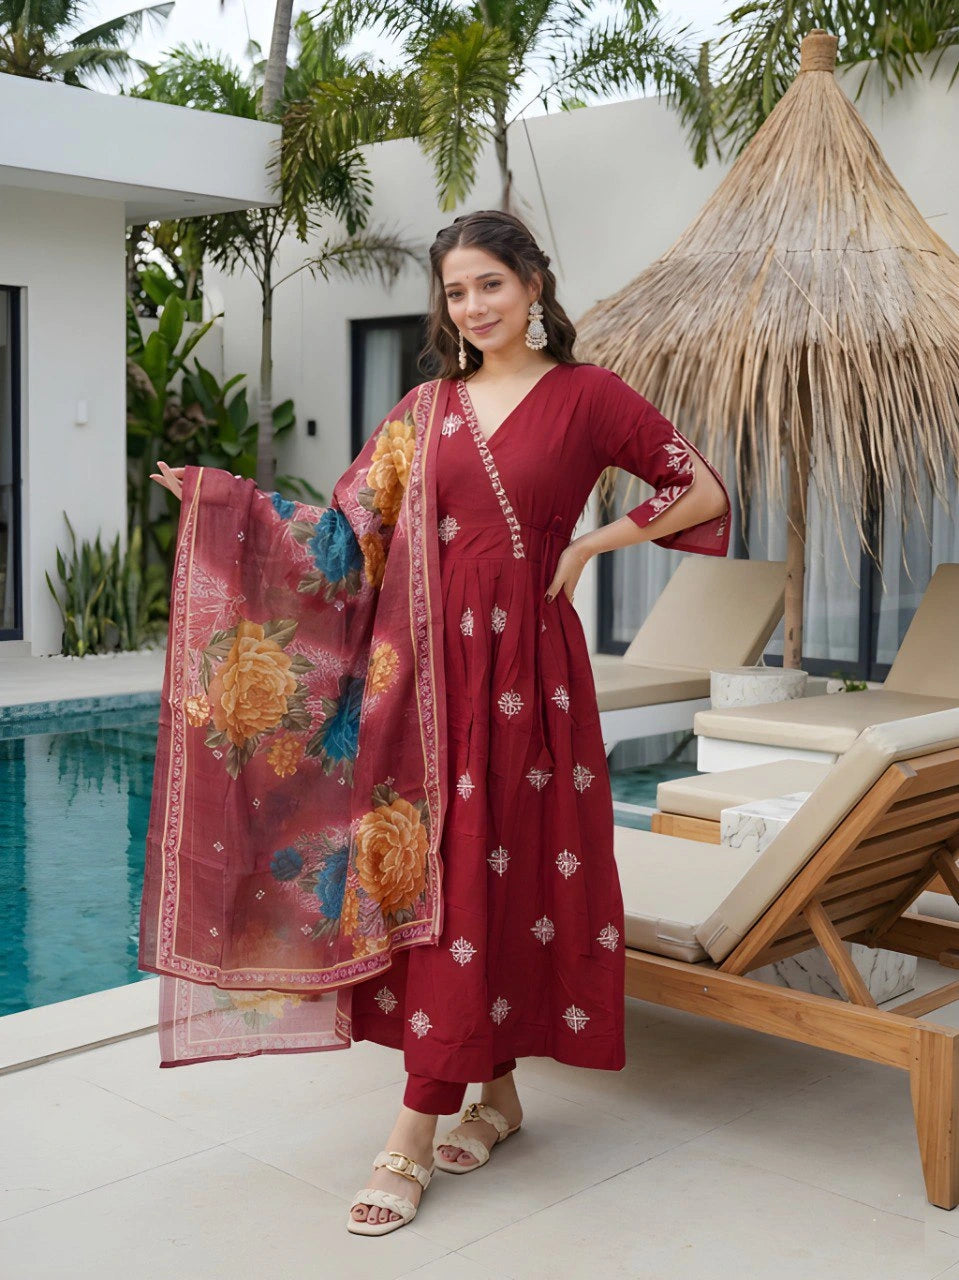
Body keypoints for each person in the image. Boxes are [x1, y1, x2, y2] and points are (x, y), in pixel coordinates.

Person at [151, 209, 730, 1238]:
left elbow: (700, 488)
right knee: (452, 872)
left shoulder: (588, 397)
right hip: (421, 679)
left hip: (533, 677)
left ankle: (410, 1134)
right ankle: (489, 1094)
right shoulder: (425, 410)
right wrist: (229, 506)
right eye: (456, 292)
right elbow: (340, 542)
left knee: (497, 868)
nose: (473, 306)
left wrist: (593, 543)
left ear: (535, 285)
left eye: (490, 286)